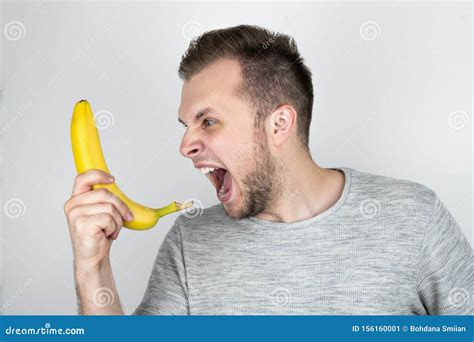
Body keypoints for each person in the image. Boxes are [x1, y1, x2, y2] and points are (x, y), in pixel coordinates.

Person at [64, 25, 473, 315]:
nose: (185, 145)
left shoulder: (415, 217)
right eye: (185, 125)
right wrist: (92, 268)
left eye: (207, 121)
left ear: (279, 124)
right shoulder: (190, 242)